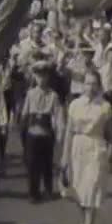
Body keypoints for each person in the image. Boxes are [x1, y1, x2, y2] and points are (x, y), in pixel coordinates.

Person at [61, 69, 112, 224]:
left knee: (92, 189)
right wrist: (64, 157)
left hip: (96, 148)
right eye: (87, 83)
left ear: (99, 85)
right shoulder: (74, 105)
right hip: (78, 148)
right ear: (83, 85)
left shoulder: (105, 107)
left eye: (94, 84)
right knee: (79, 192)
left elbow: (110, 133)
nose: (90, 87)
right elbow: (69, 132)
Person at [19, 60, 65, 203]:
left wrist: (60, 133)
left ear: (48, 77)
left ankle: (48, 189)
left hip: (46, 133)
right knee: (32, 164)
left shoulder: (53, 96)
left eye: (44, 76)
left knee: (46, 163)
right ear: (34, 77)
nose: (41, 79)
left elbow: (58, 116)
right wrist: (23, 130)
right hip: (32, 133)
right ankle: (33, 192)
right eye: (38, 76)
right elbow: (24, 114)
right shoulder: (30, 94)